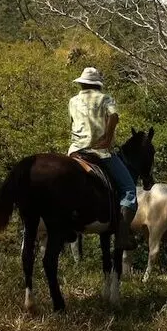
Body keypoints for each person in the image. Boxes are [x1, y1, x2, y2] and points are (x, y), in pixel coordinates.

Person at [67, 67, 137, 250]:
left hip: (75, 151)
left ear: (81, 83)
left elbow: (73, 125)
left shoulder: (72, 101)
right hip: (100, 153)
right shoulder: (106, 98)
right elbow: (114, 116)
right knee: (129, 189)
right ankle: (122, 236)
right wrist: (107, 137)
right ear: (97, 84)